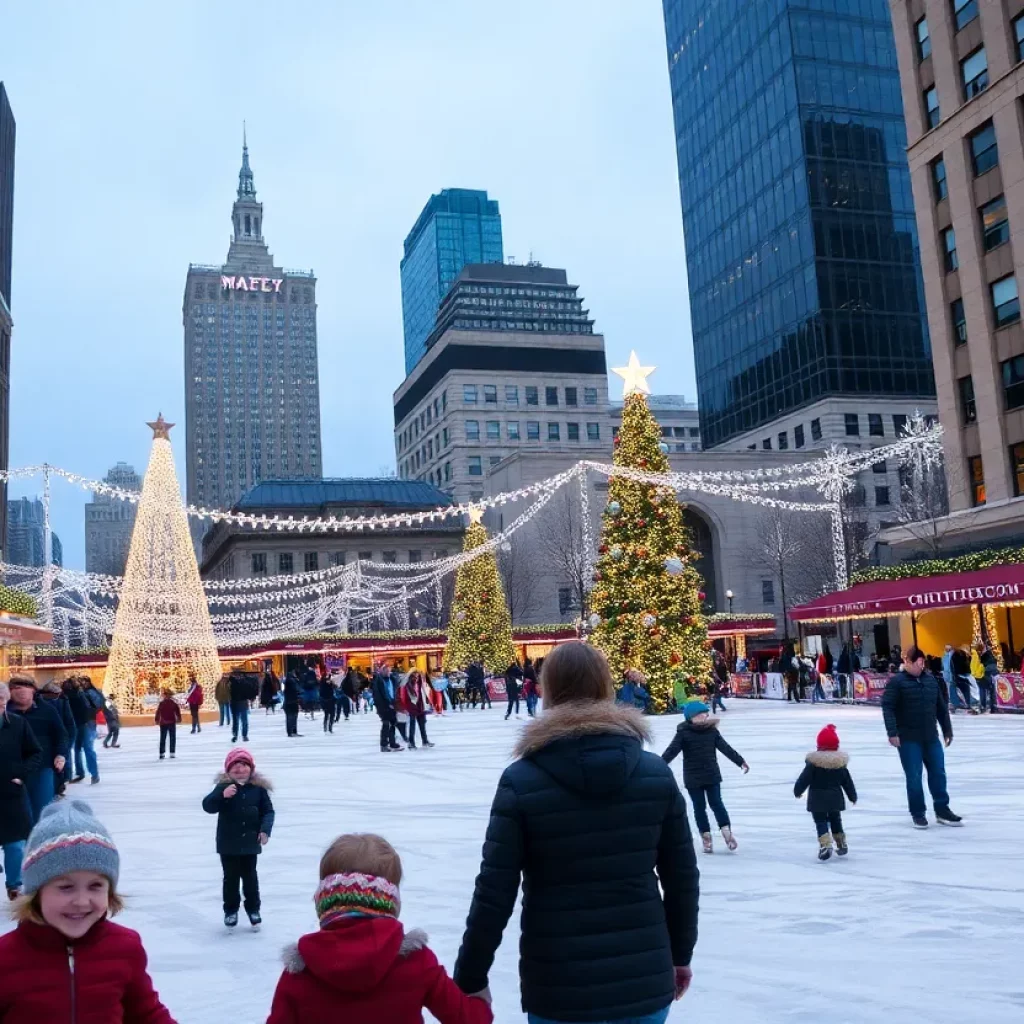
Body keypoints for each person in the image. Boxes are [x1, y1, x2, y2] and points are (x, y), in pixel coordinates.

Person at [454, 641, 698, 1024]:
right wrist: (680, 954)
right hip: (642, 980)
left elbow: (494, 891)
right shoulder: (655, 774)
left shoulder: (521, 781)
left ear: (547, 689)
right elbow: (682, 878)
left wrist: (470, 976)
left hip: (558, 985)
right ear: (606, 686)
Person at [267, 833, 492, 1024]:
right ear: (391, 901)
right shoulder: (417, 962)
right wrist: (481, 1001)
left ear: (324, 901)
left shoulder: (300, 973)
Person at [0, 800, 175, 1022]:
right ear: (37, 892)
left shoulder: (125, 947)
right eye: (65, 887)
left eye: (95, 886)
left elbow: (146, 1013)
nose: (82, 901)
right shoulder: (5, 958)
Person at [882, 646, 961, 829]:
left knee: (938, 773)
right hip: (908, 738)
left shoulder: (931, 680)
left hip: (930, 736)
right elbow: (888, 707)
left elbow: (941, 708)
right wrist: (892, 732)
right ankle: (918, 813)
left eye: (921, 663)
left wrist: (947, 730)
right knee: (914, 776)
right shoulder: (897, 682)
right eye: (916, 663)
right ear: (907, 662)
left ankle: (942, 809)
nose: (919, 667)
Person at [662, 700, 749, 854]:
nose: (704, 716)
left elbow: (725, 748)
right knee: (699, 807)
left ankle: (726, 831)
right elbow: (672, 751)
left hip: (711, 775)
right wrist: (660, 764)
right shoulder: (683, 733)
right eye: (700, 714)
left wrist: (740, 761)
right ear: (691, 717)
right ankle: (706, 836)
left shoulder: (712, 731)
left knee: (716, 803)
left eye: (705, 714)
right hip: (693, 777)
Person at [202, 748, 274, 929]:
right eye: (235, 766)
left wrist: (265, 831)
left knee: (250, 878)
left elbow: (268, 811)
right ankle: (231, 910)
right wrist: (222, 795)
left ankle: (253, 909)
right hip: (228, 843)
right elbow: (208, 806)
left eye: (243, 766)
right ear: (228, 770)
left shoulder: (258, 790)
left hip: (250, 842)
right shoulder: (222, 787)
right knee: (231, 878)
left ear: (251, 769)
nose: (240, 770)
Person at [0, 682, 42, 901]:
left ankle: (15, 884)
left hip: (10, 792)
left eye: (0, 700)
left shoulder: (17, 724)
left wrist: (21, 775)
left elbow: (35, 752)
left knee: (15, 844)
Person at [7, 676, 67, 823]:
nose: (20, 691)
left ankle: (39, 842)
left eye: (25, 686)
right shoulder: (5, 712)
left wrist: (61, 754)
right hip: (12, 770)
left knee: (42, 811)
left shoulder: (47, 710)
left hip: (42, 767)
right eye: (15, 687)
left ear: (33, 690)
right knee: (19, 815)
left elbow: (61, 734)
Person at [794, 724, 858, 861]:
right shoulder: (840, 764)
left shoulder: (813, 764)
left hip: (817, 799)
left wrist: (797, 791)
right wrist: (853, 796)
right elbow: (847, 782)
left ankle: (825, 845)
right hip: (835, 799)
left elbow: (803, 779)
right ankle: (841, 842)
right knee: (836, 819)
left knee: (820, 821)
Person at [37, 681, 75, 795]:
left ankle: (59, 783)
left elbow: (69, 722)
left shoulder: (61, 702)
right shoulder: (60, 701)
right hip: (52, 738)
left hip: (56, 737)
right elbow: (69, 723)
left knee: (58, 762)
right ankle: (60, 783)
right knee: (58, 762)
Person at [70, 677, 102, 785]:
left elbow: (96, 706)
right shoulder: (77, 693)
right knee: (78, 748)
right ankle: (82, 772)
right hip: (80, 722)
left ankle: (93, 774)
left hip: (87, 723)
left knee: (86, 748)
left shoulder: (89, 693)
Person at [396, 671, 434, 750]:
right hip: (411, 707)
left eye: (417, 676)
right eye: (414, 676)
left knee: (422, 725)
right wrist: (404, 708)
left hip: (420, 706)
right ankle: (411, 743)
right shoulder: (406, 684)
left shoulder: (420, 682)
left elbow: (423, 693)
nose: (416, 678)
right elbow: (404, 696)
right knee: (412, 726)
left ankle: (425, 741)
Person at [372, 664, 402, 753]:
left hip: (392, 704)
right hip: (384, 706)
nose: (388, 672)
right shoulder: (378, 681)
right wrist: (385, 705)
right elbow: (378, 696)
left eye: (389, 670)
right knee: (386, 724)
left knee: (393, 724)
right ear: (381, 671)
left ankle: (392, 743)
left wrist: (395, 702)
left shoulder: (392, 679)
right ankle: (384, 744)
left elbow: (395, 691)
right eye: (386, 670)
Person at [155, 688, 181, 760]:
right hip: (171, 722)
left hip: (163, 723)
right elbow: (177, 712)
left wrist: (157, 719)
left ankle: (162, 753)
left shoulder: (162, 703)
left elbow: (158, 712)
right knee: (172, 738)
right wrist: (179, 718)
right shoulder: (173, 704)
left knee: (163, 738)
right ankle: (172, 753)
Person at [229, 670, 254, 743]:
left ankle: (237, 735)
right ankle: (242, 735)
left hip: (237, 704)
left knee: (238, 721)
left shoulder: (232, 683)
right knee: (242, 721)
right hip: (240, 704)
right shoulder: (242, 683)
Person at [978, 645, 999, 714]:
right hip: (995, 673)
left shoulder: (983, 656)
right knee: (993, 691)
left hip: (986, 673)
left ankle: (983, 706)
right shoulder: (992, 655)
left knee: (982, 690)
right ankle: (993, 707)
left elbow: (981, 665)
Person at [284, 668, 303, 737]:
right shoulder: (292, 681)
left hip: (288, 701)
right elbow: (298, 689)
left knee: (290, 717)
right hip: (292, 701)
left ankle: (291, 732)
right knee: (292, 717)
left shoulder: (288, 680)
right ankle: (292, 732)